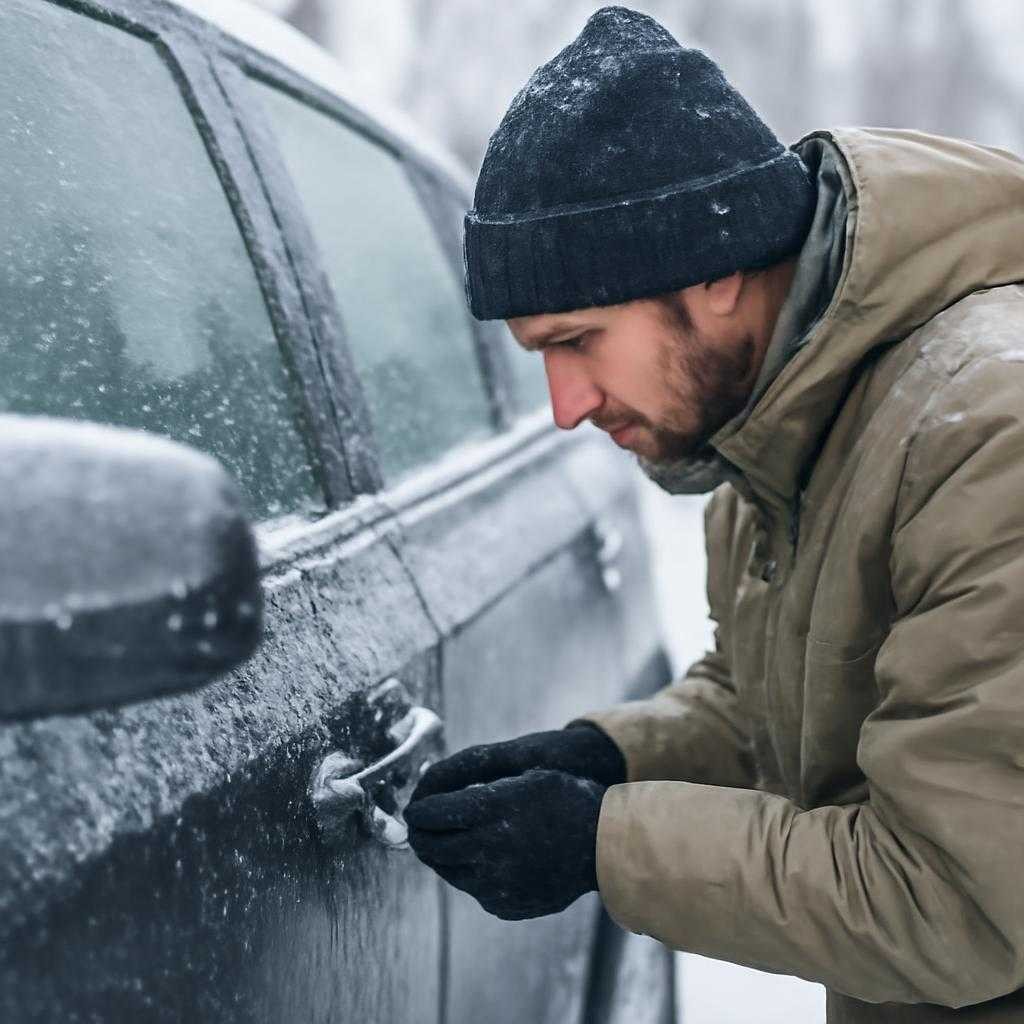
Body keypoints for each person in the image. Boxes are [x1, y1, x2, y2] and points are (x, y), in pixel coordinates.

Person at [404, 7, 1024, 1021]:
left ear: (714, 272)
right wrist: (609, 756)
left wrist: (600, 840)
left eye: (580, 341)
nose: (564, 407)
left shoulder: (985, 431)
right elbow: (790, 698)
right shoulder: (770, 424)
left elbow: (956, 900)